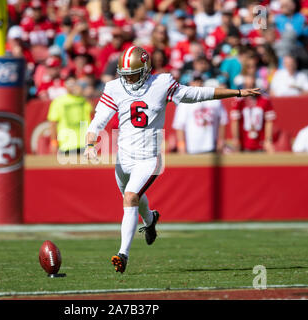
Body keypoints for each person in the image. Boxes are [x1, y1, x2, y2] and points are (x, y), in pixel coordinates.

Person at [83, 46, 261, 273]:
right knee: (134, 198)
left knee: (130, 198)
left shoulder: (161, 83)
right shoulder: (115, 88)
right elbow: (98, 121)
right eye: (125, 74)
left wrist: (235, 92)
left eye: (133, 74)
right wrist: (90, 143)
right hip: (123, 157)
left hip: (149, 158)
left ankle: (123, 255)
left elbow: (195, 95)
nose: (129, 79)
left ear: (146, 70)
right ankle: (150, 221)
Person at [172, 74, 228, 154]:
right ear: (190, 83)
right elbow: (179, 125)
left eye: (200, 81)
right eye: (195, 81)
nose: (198, 84)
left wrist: (221, 140)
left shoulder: (214, 100)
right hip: (192, 148)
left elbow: (223, 120)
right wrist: (181, 145)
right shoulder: (184, 103)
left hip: (211, 146)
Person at [47, 75, 93, 154]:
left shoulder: (83, 99)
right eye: (70, 84)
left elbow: (93, 112)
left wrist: (84, 94)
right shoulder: (58, 101)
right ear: (65, 85)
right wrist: (54, 142)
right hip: (67, 144)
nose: (72, 87)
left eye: (74, 84)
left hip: (84, 144)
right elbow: (53, 123)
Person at [230, 75, 276, 153]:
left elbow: (269, 122)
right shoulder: (239, 101)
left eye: (252, 85)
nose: (250, 89)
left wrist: (268, 140)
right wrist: (236, 138)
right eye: (247, 86)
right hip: (244, 141)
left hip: (260, 141)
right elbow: (235, 121)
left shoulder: (265, 100)